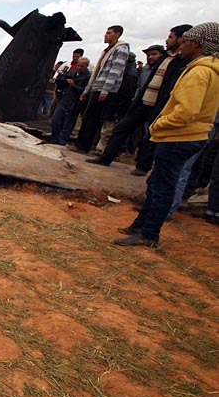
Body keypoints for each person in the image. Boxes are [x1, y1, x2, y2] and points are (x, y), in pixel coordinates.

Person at [116, 22, 219, 247]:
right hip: (188, 136)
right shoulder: (209, 69)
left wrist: (158, 125)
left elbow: (186, 111)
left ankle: (149, 234)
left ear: (197, 43)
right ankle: (140, 225)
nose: (182, 45)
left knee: (162, 186)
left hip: (179, 136)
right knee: (157, 183)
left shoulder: (199, 72)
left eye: (186, 41)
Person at [86, 45, 166, 166]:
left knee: (147, 134)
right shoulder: (144, 70)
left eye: (154, 54)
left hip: (153, 105)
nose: (150, 57)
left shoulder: (138, 73)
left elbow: (127, 91)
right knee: (121, 129)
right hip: (138, 103)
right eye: (148, 55)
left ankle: (141, 164)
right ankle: (107, 157)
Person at [133, 24, 194, 175]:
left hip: (164, 110)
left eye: (171, 37)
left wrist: (163, 120)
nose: (167, 40)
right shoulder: (167, 58)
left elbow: (187, 108)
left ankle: (144, 166)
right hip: (146, 101)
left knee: (153, 138)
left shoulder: (195, 69)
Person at [73, 25, 130, 153]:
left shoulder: (121, 49)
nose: (106, 35)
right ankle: (82, 145)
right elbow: (97, 73)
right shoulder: (108, 50)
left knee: (95, 119)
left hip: (106, 90)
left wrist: (105, 90)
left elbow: (115, 71)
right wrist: (87, 90)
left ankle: (86, 146)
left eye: (109, 33)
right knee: (88, 118)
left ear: (117, 34)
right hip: (97, 87)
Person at [49, 57, 91, 145]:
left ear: (86, 66)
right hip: (65, 100)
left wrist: (73, 85)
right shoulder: (73, 73)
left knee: (67, 125)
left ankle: (62, 141)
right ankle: (55, 138)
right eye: (78, 65)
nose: (79, 68)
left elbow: (85, 91)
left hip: (74, 103)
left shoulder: (88, 77)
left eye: (82, 66)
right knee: (55, 121)